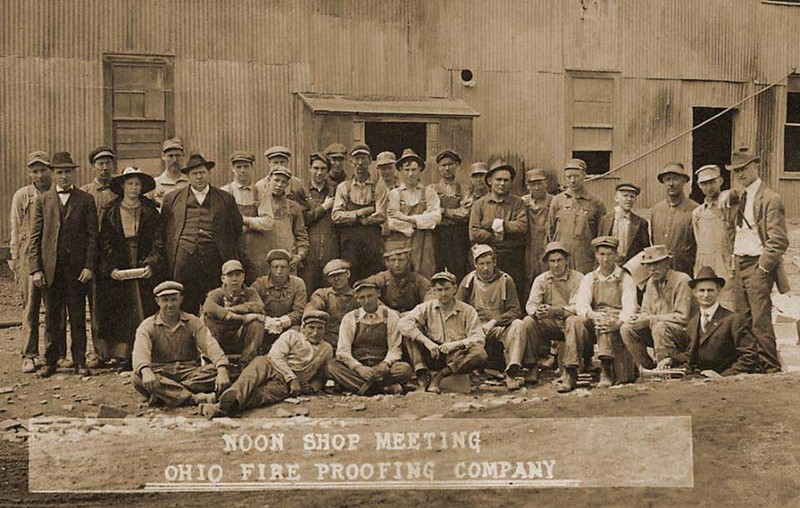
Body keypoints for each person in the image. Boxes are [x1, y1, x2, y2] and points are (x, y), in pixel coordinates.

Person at [29, 152, 98, 378]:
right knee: (51, 317)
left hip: (77, 270)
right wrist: (36, 269)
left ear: (74, 173)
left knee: (77, 316)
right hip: (51, 269)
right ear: (53, 174)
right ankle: (51, 360)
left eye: (68, 171)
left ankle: (79, 360)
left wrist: (89, 266)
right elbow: (35, 237)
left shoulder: (86, 200)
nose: (64, 176)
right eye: (59, 172)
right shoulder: (43, 200)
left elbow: (92, 237)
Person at [199, 310, 334, 418]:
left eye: (319, 328)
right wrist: (291, 377)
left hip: (286, 383)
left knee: (263, 396)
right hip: (270, 364)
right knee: (248, 380)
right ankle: (225, 399)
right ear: (303, 327)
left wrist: (314, 386)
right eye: (311, 328)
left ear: (324, 330)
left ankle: (221, 406)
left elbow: (323, 373)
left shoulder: (326, 348)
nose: (315, 332)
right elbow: (275, 355)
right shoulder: (292, 335)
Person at [727, 147, 789, 373]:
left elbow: (779, 240)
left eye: (744, 169)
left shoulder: (771, 198)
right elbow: (732, 230)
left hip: (758, 264)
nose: (741, 174)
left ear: (756, 166)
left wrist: (763, 268)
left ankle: (770, 368)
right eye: (736, 171)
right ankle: (749, 366)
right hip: (739, 262)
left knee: (760, 320)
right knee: (741, 319)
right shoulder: (737, 197)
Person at [96, 167, 163, 369]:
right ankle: (122, 355)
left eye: (137, 184)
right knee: (120, 309)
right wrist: (111, 267)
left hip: (142, 261)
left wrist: (151, 262)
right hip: (120, 261)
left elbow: (159, 241)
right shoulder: (111, 211)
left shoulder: (150, 210)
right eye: (130, 184)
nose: (134, 188)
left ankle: (147, 352)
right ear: (122, 186)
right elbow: (104, 242)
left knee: (145, 306)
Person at [161, 153, 243, 314]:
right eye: (194, 173)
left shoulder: (225, 199)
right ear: (188, 176)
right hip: (183, 262)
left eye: (202, 172)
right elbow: (165, 230)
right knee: (184, 304)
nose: (199, 177)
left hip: (214, 260)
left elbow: (236, 228)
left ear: (208, 173)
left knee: (213, 303)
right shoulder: (172, 199)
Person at [132, 281, 230, 407]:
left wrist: (221, 368)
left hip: (189, 372)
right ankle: (193, 398)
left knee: (221, 371)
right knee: (137, 377)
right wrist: (145, 371)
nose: (170, 304)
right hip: (161, 372)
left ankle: (166, 395)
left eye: (174, 299)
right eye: (165, 300)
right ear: (157, 301)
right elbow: (140, 351)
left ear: (181, 299)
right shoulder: (147, 325)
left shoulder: (192, 321)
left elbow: (209, 344)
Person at [558, 237, 637, 392]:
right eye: (602, 254)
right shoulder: (590, 278)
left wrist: (618, 322)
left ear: (616, 255)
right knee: (573, 320)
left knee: (606, 320)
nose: (605, 259)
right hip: (593, 320)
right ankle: (571, 371)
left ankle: (606, 370)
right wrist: (592, 315)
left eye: (609, 254)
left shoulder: (625, 278)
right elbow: (582, 304)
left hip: (614, 320)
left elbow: (630, 307)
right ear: (596, 255)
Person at [398, 271, 487, 393]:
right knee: (410, 333)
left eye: (447, 289)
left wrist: (457, 344)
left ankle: (439, 376)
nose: (443, 294)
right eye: (439, 290)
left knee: (479, 353)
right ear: (434, 291)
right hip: (433, 352)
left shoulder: (467, 310)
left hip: (455, 356)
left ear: (455, 289)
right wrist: (427, 342)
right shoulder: (426, 307)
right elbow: (403, 323)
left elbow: (479, 337)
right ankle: (422, 378)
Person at [457, 244, 528, 390]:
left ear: (494, 262)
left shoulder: (505, 280)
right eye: (481, 264)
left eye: (488, 263)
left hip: (497, 328)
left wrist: (494, 321)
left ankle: (512, 372)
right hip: (474, 328)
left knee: (518, 325)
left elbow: (515, 311)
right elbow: (457, 307)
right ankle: (464, 370)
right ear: (475, 264)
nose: (485, 268)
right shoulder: (468, 281)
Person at [327, 280, 413, 395]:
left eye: (370, 296)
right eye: (362, 298)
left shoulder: (391, 316)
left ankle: (359, 386)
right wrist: (359, 368)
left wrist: (384, 365)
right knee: (331, 366)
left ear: (378, 294)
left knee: (404, 369)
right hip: (358, 366)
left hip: (382, 366)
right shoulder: (350, 318)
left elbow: (395, 348)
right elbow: (343, 351)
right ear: (357, 298)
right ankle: (381, 389)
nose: (367, 301)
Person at [10, 151, 52, 373]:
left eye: (43, 170)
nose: (39, 175)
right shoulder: (23, 196)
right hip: (28, 255)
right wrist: (15, 259)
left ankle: (53, 353)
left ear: (50, 170)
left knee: (53, 306)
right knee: (30, 306)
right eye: (34, 171)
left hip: (51, 255)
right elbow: (16, 229)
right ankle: (29, 354)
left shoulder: (56, 193)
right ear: (29, 173)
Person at [620, 245, 695, 370]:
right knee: (626, 328)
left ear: (667, 263)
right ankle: (648, 368)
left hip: (684, 333)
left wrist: (650, 320)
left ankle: (666, 370)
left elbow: (683, 317)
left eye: (656, 264)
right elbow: (646, 311)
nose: (652, 269)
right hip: (658, 332)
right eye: (649, 265)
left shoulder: (682, 280)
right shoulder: (651, 283)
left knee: (659, 326)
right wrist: (638, 318)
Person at [82, 145, 121, 369]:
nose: (104, 168)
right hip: (91, 254)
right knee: (93, 303)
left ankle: (114, 350)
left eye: (108, 163)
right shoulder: (85, 191)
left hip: (113, 254)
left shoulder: (119, 190)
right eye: (100, 163)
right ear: (93, 166)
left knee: (113, 303)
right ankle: (96, 351)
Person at [469, 161, 527, 302]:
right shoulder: (479, 204)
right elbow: (474, 232)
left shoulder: (517, 203)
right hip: (487, 257)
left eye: (506, 180)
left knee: (513, 293)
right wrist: (498, 236)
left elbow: (522, 227)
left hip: (512, 256)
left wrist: (495, 223)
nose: (502, 184)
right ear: (489, 181)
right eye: (498, 180)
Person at [521, 242, 583, 372]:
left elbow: (578, 307)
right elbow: (531, 304)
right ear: (547, 263)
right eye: (552, 261)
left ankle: (571, 370)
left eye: (559, 260)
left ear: (566, 260)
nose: (556, 265)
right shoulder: (541, 279)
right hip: (551, 324)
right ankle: (531, 365)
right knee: (528, 321)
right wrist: (537, 312)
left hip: (572, 324)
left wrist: (555, 311)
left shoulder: (578, 278)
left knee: (574, 321)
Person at [686, 267, 758, 375]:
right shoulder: (693, 323)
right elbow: (690, 356)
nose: (706, 295)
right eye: (702, 291)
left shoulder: (733, 320)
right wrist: (672, 359)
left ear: (718, 291)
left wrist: (723, 376)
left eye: (710, 290)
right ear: (695, 293)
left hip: (726, 381)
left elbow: (749, 356)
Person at [331, 143, 387, 282]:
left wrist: (364, 220)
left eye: (363, 158)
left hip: (372, 242)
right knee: (350, 277)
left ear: (370, 160)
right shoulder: (344, 187)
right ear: (351, 161)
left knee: (374, 278)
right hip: (349, 243)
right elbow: (336, 216)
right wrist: (360, 214)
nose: (360, 163)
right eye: (356, 159)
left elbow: (380, 215)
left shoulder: (379, 186)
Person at [386, 148, 442, 278]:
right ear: (400, 171)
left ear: (420, 171)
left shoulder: (429, 192)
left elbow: (436, 217)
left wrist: (405, 217)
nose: (410, 174)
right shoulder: (395, 194)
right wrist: (420, 222)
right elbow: (392, 221)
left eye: (414, 170)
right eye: (407, 170)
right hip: (401, 241)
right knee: (401, 274)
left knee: (425, 274)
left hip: (425, 242)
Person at [220, 150, 275, 284]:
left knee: (258, 284)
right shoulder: (225, 192)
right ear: (233, 169)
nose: (242, 171)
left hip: (256, 250)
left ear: (252, 168)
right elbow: (222, 224)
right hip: (233, 248)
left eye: (246, 167)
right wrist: (254, 223)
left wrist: (242, 220)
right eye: (238, 167)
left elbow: (268, 222)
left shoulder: (261, 192)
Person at [201, 260, 265, 366]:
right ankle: (211, 362)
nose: (234, 279)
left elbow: (258, 306)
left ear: (243, 277)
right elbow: (208, 307)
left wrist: (232, 309)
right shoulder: (217, 293)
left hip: (240, 338)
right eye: (230, 275)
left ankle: (246, 363)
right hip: (218, 338)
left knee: (257, 323)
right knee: (207, 318)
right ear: (223, 279)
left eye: (238, 274)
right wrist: (241, 318)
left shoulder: (250, 292)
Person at [549, 158, 607, 274]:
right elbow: (551, 229)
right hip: (561, 258)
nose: (572, 180)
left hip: (585, 259)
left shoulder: (596, 202)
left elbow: (602, 234)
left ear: (584, 176)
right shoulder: (557, 200)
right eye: (569, 177)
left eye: (576, 176)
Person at [691, 165, 736, 310]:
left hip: (725, 262)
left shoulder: (729, 205)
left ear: (721, 181)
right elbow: (699, 240)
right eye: (704, 183)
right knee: (705, 303)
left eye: (712, 182)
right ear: (698, 185)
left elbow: (740, 194)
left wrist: (730, 193)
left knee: (727, 303)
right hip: (704, 262)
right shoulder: (697, 213)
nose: (708, 187)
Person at [256, 166, 310, 275]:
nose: (280, 185)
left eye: (284, 182)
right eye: (276, 180)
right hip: (263, 261)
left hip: (287, 261)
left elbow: (301, 236)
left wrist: (299, 256)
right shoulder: (258, 205)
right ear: (268, 180)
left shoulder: (294, 207)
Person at [251, 249, 308, 352]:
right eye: (275, 267)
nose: (279, 271)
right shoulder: (259, 284)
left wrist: (281, 322)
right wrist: (267, 320)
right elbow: (252, 307)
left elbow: (299, 311)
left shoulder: (298, 283)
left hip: (288, 326)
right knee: (254, 326)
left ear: (289, 268)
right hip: (265, 326)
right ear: (269, 268)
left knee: (298, 332)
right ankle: (249, 359)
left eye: (283, 267)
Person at [649, 162, 699, 276]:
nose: (671, 184)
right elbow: (653, 240)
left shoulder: (695, 210)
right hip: (660, 273)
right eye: (667, 179)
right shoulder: (656, 210)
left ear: (684, 181)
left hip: (685, 272)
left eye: (675, 179)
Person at [300, 153, 339, 293]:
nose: (319, 172)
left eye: (323, 169)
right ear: (309, 168)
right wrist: (324, 207)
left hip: (330, 247)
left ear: (328, 171)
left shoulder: (335, 191)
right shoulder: (302, 191)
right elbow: (303, 219)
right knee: (308, 288)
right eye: (316, 168)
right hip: (310, 248)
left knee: (330, 288)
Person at [431, 149, 472, 280]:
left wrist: (443, 211)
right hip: (438, 234)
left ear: (457, 166)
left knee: (459, 268)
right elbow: (431, 212)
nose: (447, 168)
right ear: (438, 168)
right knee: (437, 267)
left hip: (458, 234)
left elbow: (465, 212)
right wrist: (451, 213)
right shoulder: (432, 189)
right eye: (443, 165)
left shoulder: (465, 188)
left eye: (450, 164)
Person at [305, 259, 359, 348]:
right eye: (332, 276)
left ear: (348, 274)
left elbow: (378, 308)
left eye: (339, 274)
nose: (336, 279)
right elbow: (310, 312)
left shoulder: (359, 296)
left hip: (353, 342)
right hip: (327, 341)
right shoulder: (322, 294)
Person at [364, 245, 432, 314]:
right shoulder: (382, 278)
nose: (397, 264)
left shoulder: (418, 280)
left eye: (401, 260)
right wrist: (384, 308)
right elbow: (362, 287)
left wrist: (414, 313)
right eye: (393, 260)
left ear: (408, 261)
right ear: (387, 262)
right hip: (387, 319)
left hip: (413, 319)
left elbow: (430, 298)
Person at [598, 182, 650, 266]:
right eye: (625, 196)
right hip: (609, 265)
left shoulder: (641, 223)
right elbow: (598, 247)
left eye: (632, 196)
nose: (629, 199)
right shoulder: (605, 220)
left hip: (632, 268)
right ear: (616, 198)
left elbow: (645, 250)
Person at [521, 168, 554, 286]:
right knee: (528, 276)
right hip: (528, 245)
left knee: (548, 276)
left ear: (546, 183)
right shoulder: (523, 202)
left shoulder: (554, 201)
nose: (536, 187)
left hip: (547, 243)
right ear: (527, 186)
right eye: (532, 184)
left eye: (539, 183)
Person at [150, 138, 189, 208]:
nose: (174, 160)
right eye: (170, 156)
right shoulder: (154, 184)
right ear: (163, 156)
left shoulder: (189, 182)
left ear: (183, 155)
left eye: (177, 156)